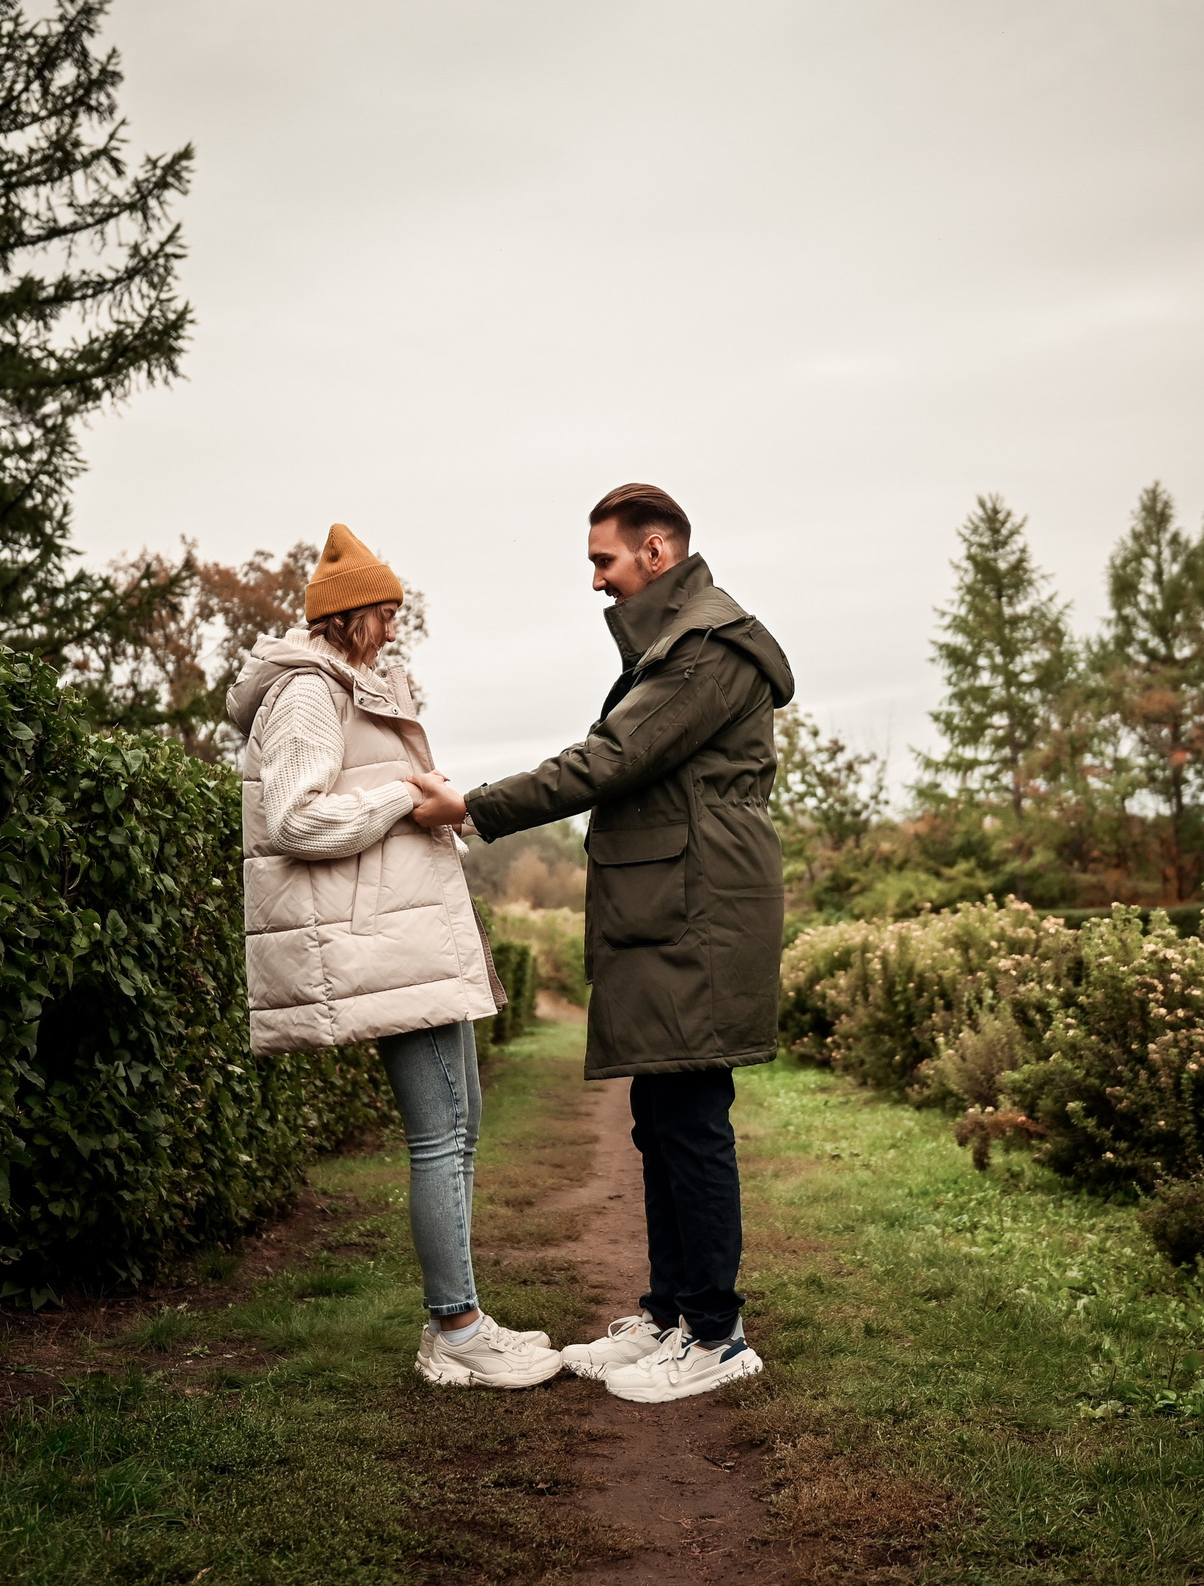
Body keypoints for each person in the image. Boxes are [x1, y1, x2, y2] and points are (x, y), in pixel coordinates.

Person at [463, 484, 795, 1403]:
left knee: (691, 1119)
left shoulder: (705, 651)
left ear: (658, 552)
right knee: (660, 1114)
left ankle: (719, 1335)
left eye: (604, 562)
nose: (597, 582)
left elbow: (608, 758)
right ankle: (671, 1314)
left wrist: (474, 805)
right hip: (673, 908)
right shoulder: (672, 645)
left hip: (701, 913)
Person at [228, 522, 562, 1389]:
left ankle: (465, 1319)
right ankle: (454, 1332)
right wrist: (394, 803)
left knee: (461, 1129)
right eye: (383, 611)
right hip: (381, 943)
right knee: (438, 1135)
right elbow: (293, 818)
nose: (392, 626)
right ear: (349, 616)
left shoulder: (360, 683)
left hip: (411, 933)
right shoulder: (308, 693)